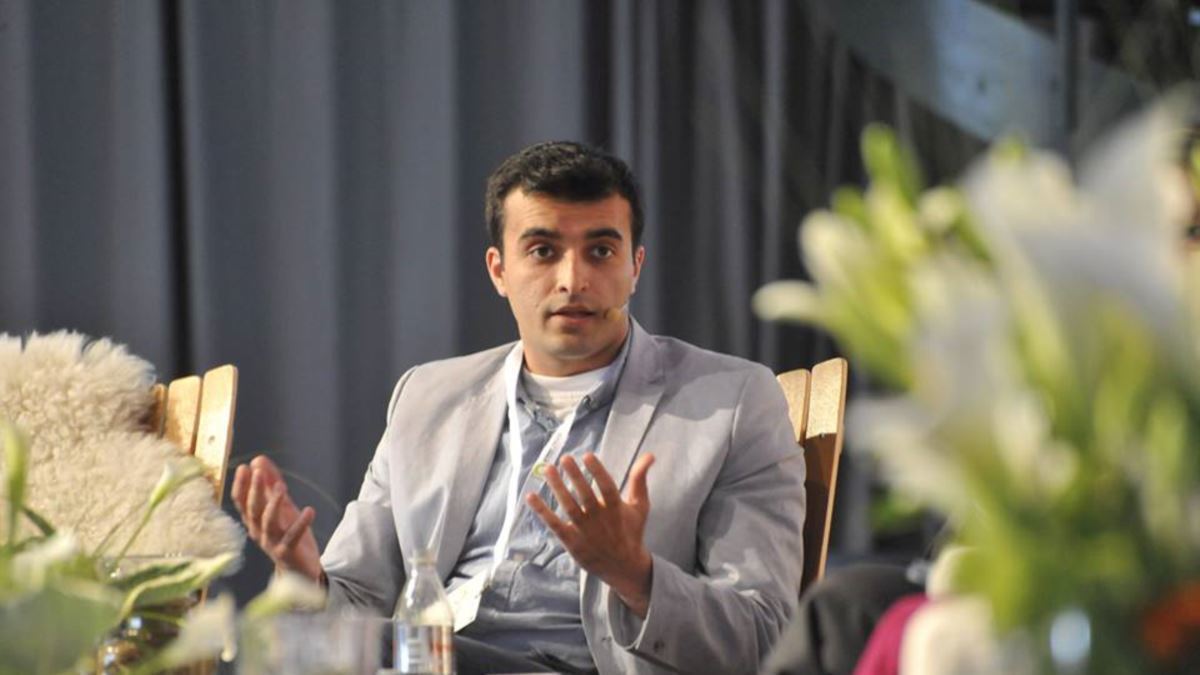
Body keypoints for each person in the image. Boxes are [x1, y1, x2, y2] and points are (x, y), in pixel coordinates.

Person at [231, 141, 806, 675]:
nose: (573, 280)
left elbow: (765, 637)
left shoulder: (731, 403)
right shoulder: (427, 398)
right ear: (499, 271)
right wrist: (304, 577)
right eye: (542, 251)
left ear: (635, 266)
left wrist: (634, 573)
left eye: (601, 251)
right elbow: (356, 601)